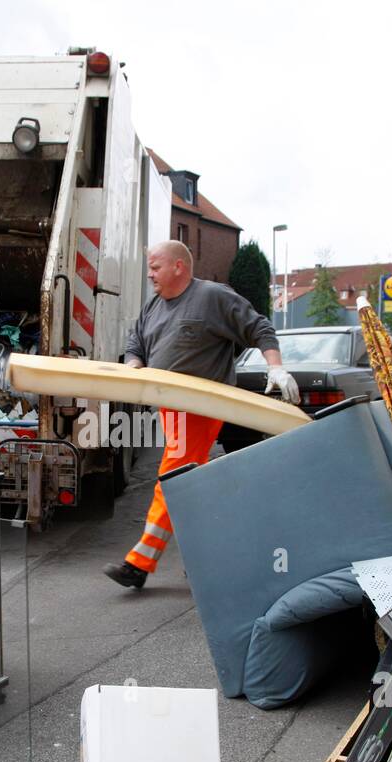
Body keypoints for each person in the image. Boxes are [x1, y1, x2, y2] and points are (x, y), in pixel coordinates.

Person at [103, 240, 299, 589]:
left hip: (198, 406)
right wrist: (135, 369)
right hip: (171, 408)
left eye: (155, 267)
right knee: (195, 486)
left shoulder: (212, 297)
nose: (150, 274)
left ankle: (139, 563)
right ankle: (207, 557)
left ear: (179, 266)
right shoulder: (153, 307)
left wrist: (276, 369)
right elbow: (136, 343)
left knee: (173, 478)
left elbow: (259, 328)